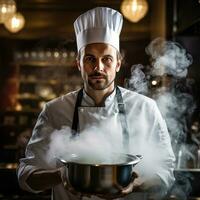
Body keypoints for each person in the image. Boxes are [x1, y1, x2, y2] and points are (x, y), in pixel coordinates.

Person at [17, 7, 175, 200]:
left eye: (106, 59)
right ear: (78, 63)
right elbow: (26, 176)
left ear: (118, 64)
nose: (98, 67)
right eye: (90, 59)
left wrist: (136, 185)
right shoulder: (55, 110)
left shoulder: (145, 108)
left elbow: (166, 173)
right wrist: (61, 174)